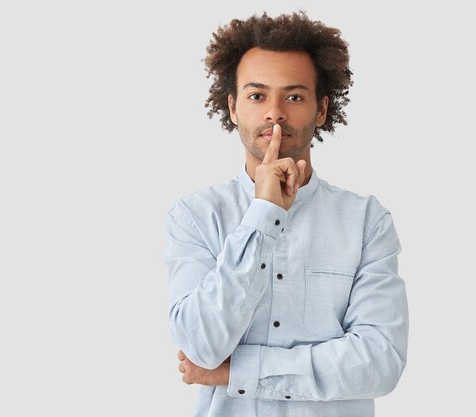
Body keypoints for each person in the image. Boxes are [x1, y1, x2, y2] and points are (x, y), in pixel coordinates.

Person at [164, 11, 409, 417]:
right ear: (233, 108)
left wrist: (237, 372)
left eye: (294, 96)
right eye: (257, 96)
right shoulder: (194, 216)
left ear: (321, 110)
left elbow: (380, 363)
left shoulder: (367, 221)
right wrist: (263, 213)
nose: (275, 113)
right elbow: (201, 346)